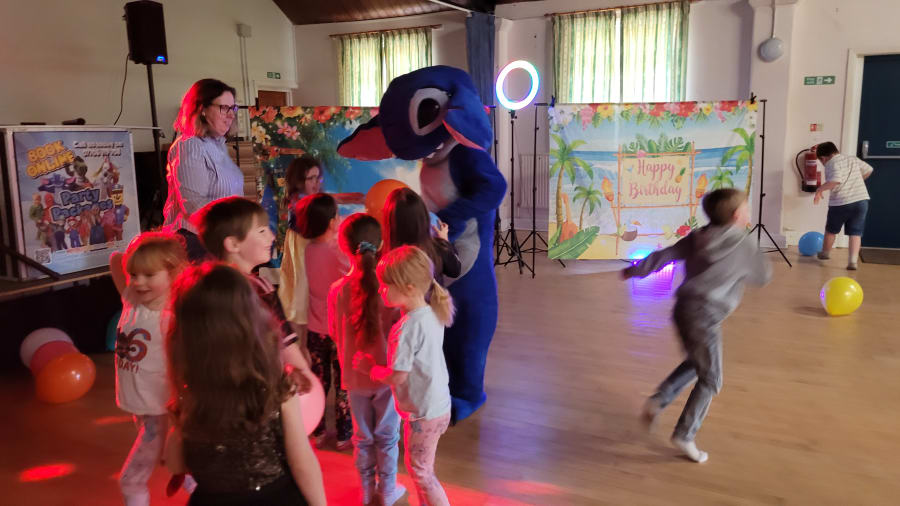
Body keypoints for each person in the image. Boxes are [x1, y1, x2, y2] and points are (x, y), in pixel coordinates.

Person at [622, 189, 771, 463]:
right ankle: (684, 434)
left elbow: (666, 255)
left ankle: (659, 400)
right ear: (737, 215)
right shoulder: (745, 243)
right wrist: (742, 267)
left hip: (683, 309)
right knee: (711, 379)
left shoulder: (698, 236)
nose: (749, 213)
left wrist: (635, 270)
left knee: (697, 362)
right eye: (746, 209)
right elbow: (763, 277)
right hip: (706, 315)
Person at [164, 263, 327, 506]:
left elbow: (175, 464)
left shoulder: (191, 394)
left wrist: (178, 419)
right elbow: (301, 461)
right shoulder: (276, 387)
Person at [354, 245, 455, 505]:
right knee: (423, 469)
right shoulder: (431, 311)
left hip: (423, 413)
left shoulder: (406, 329)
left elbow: (398, 376)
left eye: (385, 286)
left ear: (408, 288)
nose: (380, 290)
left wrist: (370, 368)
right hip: (439, 405)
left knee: (421, 473)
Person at [109, 232, 192, 505]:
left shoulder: (172, 318)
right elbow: (115, 259)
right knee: (179, 461)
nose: (138, 282)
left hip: (160, 410)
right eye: (134, 275)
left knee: (132, 479)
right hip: (142, 407)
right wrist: (143, 249)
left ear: (173, 274)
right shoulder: (131, 299)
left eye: (149, 275)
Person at [192, 196, 312, 386]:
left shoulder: (200, 287)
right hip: (258, 385)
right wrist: (307, 376)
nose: (271, 237)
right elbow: (285, 344)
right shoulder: (259, 288)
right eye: (262, 231)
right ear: (233, 244)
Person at [328, 213, 405, 505]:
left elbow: (334, 333)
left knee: (362, 438)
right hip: (386, 376)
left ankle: (365, 491)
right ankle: (387, 491)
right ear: (382, 244)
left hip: (354, 377)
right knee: (387, 436)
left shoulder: (337, 290)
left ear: (344, 247)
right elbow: (400, 331)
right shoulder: (390, 289)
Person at [278, 155, 364, 362]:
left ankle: (306, 349)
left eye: (319, 178)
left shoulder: (314, 200)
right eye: (311, 178)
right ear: (299, 181)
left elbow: (334, 198)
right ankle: (301, 352)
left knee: (307, 300)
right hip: (301, 250)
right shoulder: (299, 203)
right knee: (299, 298)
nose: (316, 183)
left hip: (310, 253)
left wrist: (352, 199)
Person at [293, 193, 352, 450]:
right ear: (331, 222)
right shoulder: (341, 251)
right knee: (343, 384)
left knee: (319, 380)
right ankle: (344, 434)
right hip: (341, 331)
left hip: (316, 328)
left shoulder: (307, 251)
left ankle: (316, 429)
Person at [163, 79, 243, 261]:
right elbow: (194, 206)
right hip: (195, 243)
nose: (231, 115)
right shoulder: (189, 145)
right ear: (202, 109)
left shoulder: (217, 144)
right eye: (224, 108)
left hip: (220, 237)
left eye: (233, 108)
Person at [812, 141, 874, 270]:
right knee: (856, 233)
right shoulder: (852, 159)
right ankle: (853, 262)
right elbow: (869, 170)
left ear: (823, 158)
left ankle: (825, 253)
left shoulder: (831, 163)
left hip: (840, 203)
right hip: (861, 200)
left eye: (821, 161)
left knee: (831, 230)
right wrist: (857, 180)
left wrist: (820, 189)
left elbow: (835, 180)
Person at [382, 187, 460, 287]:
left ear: (390, 221)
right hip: (433, 297)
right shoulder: (436, 248)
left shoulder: (386, 256)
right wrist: (445, 241)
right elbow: (455, 270)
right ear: (424, 216)